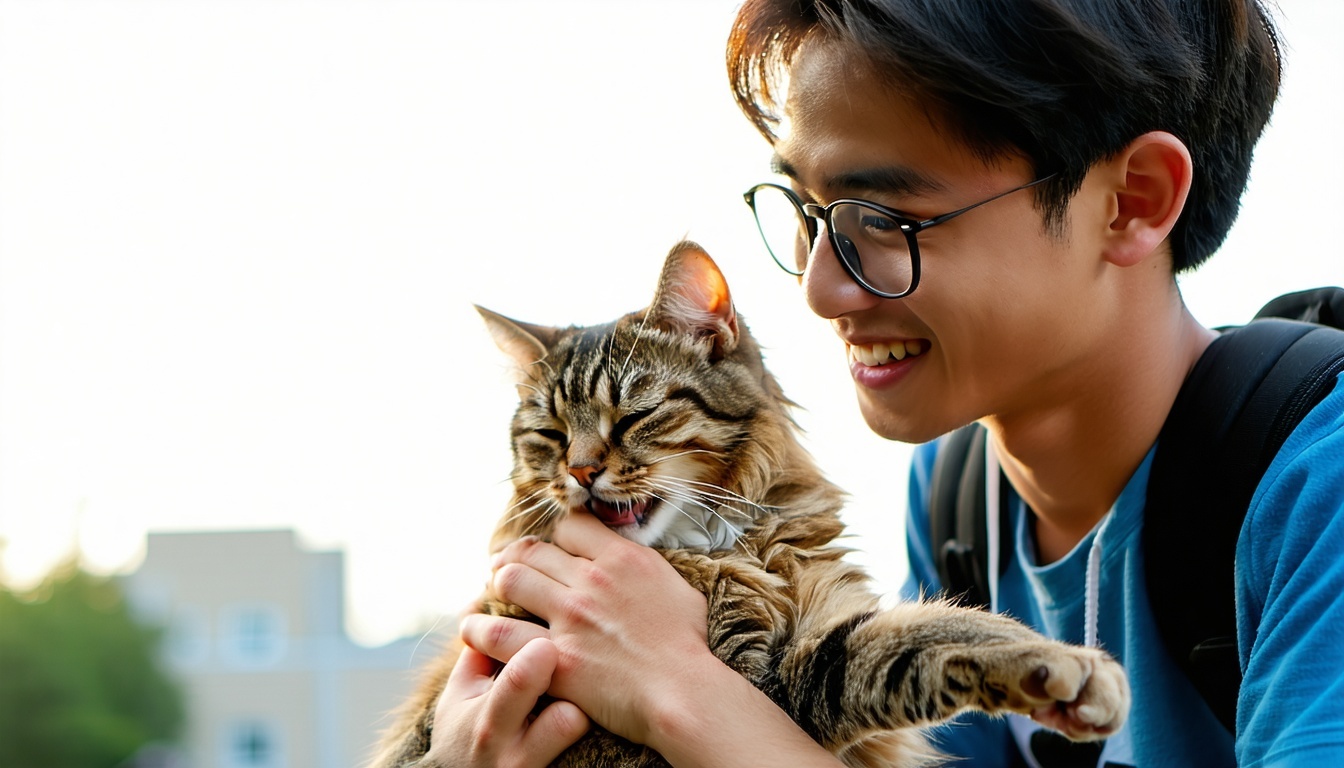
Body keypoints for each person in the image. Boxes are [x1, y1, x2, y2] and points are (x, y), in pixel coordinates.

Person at [424, 1, 1344, 766]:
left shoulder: (1319, 488)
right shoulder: (959, 503)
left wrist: (680, 690)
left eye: (884, 218)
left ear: (1133, 199)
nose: (822, 287)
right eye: (810, 213)